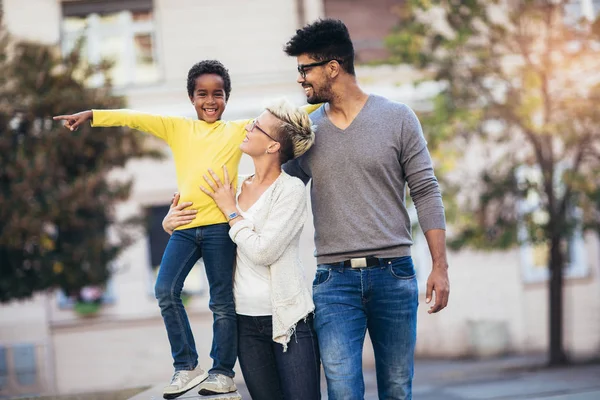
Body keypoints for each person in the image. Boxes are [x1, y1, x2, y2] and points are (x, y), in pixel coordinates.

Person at [54, 60, 247, 398]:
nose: (210, 100)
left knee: (222, 302)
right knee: (164, 289)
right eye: (202, 94)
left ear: (227, 98)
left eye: (218, 94)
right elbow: (134, 117)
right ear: (191, 98)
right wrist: (91, 115)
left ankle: (222, 372)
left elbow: (285, 120)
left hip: (220, 228)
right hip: (184, 225)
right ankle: (187, 366)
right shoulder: (178, 128)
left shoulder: (238, 130)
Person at [281, 19, 451, 400]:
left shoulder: (398, 118)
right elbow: (274, 190)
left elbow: (425, 190)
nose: (300, 79)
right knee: (342, 392)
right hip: (333, 283)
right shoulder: (305, 133)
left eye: (304, 69)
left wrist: (440, 266)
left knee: (396, 389)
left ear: (332, 67)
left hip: (394, 275)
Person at [163, 99, 321, 400]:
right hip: (244, 324)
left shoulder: (290, 190)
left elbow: (263, 251)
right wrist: (169, 223)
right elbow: (204, 236)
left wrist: (231, 212)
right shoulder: (231, 188)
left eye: (258, 126)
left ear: (273, 146)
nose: (248, 127)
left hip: (289, 321)